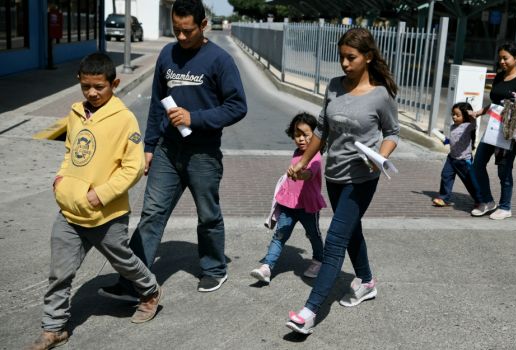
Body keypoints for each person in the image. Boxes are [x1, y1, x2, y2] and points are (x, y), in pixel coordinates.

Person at [99, 0, 247, 300]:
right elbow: (156, 103)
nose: (181, 37)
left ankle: (214, 268)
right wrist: (149, 146)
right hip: (167, 149)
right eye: (177, 30)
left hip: (203, 153)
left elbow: (237, 106)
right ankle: (133, 282)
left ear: (203, 25)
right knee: (151, 213)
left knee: (208, 215)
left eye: (187, 31)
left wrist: (196, 118)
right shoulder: (167, 54)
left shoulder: (220, 60)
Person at [25, 52, 161, 350]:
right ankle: (54, 327)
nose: (92, 92)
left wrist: (101, 193)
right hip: (70, 209)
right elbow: (71, 152)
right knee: (60, 272)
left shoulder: (124, 119)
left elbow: (133, 166)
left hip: (106, 213)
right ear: (79, 82)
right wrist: (61, 180)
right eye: (86, 86)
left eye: (99, 86)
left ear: (115, 83)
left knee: (123, 260)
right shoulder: (75, 113)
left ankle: (149, 291)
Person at [284, 28, 399, 335]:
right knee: (351, 230)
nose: (345, 64)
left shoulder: (380, 94)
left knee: (335, 241)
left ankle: (309, 312)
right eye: (342, 57)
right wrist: (304, 161)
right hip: (334, 175)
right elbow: (322, 129)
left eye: (352, 58)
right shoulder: (334, 86)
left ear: (368, 57)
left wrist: (380, 157)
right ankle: (367, 281)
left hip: (362, 178)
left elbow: (392, 133)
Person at [250, 112, 326, 284]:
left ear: (315, 136)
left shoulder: (315, 155)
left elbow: (309, 174)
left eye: (306, 135)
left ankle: (319, 261)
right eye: (297, 135)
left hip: (308, 206)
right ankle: (267, 267)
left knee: (313, 235)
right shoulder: (296, 152)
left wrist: (300, 175)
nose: (301, 139)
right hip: (289, 205)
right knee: (280, 235)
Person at [470, 42, 516, 220]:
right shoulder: (499, 77)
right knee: (477, 165)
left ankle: (505, 206)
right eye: (500, 58)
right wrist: (481, 111)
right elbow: (496, 101)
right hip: (493, 128)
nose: (501, 61)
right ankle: (487, 201)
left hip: (511, 132)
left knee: (504, 170)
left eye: (505, 58)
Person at [432, 102, 482, 208]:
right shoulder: (453, 126)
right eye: (453, 114)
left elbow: (473, 123)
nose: (454, 117)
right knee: (446, 176)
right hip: (451, 158)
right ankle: (443, 198)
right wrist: (446, 140)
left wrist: (471, 114)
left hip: (464, 160)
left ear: (465, 116)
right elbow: (454, 140)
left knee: (469, 181)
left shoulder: (468, 126)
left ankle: (480, 200)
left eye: (457, 115)